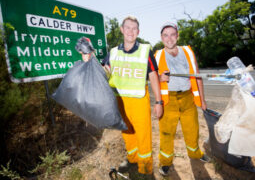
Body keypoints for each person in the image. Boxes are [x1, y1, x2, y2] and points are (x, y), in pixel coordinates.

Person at [83, 16, 163, 176]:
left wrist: (159, 101)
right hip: (120, 101)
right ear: (122, 29)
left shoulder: (145, 50)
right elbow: (104, 71)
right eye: (127, 27)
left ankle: (146, 169)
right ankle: (132, 158)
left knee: (143, 135)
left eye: (134, 28)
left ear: (138, 32)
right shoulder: (113, 52)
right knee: (126, 132)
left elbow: (153, 76)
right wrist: (87, 57)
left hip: (139, 101)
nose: (130, 31)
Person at [154, 22, 210, 176]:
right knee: (166, 134)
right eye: (166, 35)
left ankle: (195, 154)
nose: (169, 38)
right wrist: (160, 77)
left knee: (192, 130)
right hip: (168, 101)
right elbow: (151, 78)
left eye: (173, 34)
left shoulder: (187, 51)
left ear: (177, 36)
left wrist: (203, 101)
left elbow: (198, 76)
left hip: (187, 98)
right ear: (161, 38)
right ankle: (165, 162)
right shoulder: (157, 55)